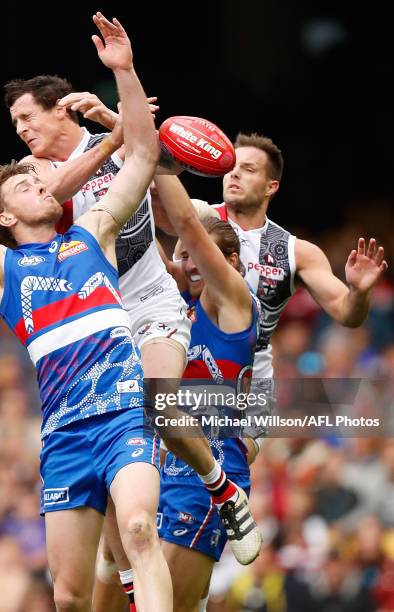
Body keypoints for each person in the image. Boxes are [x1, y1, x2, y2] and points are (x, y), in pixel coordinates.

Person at [0, 13, 172, 612]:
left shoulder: (95, 233)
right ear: (4, 216)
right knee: (70, 597)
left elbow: (145, 151)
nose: (43, 184)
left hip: (126, 414)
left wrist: (123, 71)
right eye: (26, 186)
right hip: (65, 435)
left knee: (137, 530)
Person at [4, 31, 263, 575]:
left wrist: (122, 73)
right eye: (16, 125)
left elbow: (157, 160)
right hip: (96, 326)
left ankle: (224, 492)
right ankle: (130, 586)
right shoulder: (35, 180)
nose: (22, 130)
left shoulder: (116, 140)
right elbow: (56, 193)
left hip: (149, 304)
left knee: (158, 405)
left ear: (62, 110)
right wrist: (112, 133)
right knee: (119, 497)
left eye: (28, 117)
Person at [154, 132, 388, 445]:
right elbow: (152, 197)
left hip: (251, 376)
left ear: (271, 186)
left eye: (249, 169)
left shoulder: (296, 252)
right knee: (170, 468)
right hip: (183, 356)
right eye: (232, 167)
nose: (235, 173)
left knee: (236, 466)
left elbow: (348, 314)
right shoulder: (198, 216)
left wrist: (359, 291)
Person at [154, 174, 263, 612]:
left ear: (231, 262)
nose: (188, 263)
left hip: (209, 475)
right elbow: (143, 252)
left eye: (197, 254)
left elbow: (184, 220)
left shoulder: (231, 300)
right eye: (181, 257)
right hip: (171, 470)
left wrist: (159, 160)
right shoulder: (183, 312)